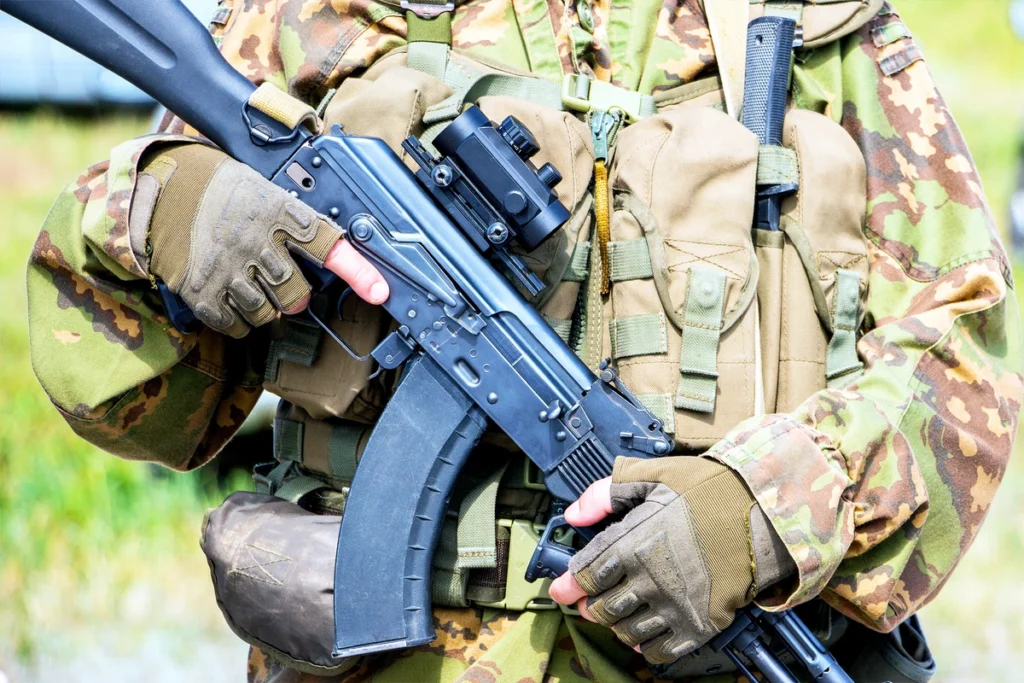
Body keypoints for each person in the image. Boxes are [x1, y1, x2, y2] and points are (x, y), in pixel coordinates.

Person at [26, 0, 1022, 681]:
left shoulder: (810, 27)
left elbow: (964, 352)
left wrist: (759, 510)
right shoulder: (324, 14)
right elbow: (147, 408)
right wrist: (156, 207)